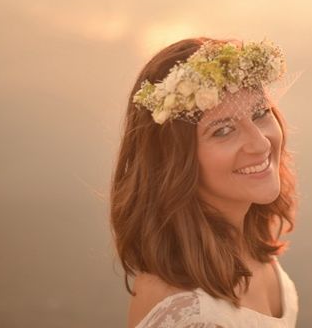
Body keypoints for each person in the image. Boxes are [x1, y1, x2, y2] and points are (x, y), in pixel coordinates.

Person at [110, 37, 300, 328]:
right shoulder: (188, 314)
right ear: (176, 160)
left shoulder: (244, 241)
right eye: (223, 131)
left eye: (260, 113)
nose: (260, 143)